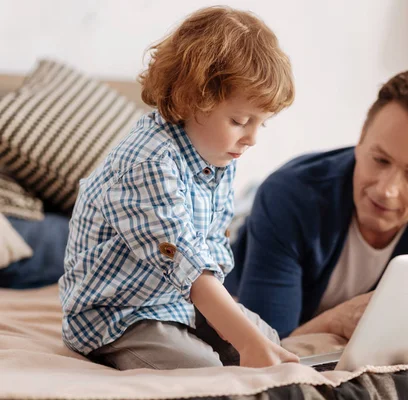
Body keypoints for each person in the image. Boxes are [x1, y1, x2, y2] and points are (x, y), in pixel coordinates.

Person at [228, 70, 408, 367]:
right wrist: (338, 319)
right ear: (360, 141)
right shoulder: (289, 195)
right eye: (380, 159)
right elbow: (266, 346)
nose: (387, 190)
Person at [59, 6, 299, 370]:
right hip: (116, 314)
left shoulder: (220, 156)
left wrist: (245, 334)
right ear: (192, 98)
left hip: (175, 300)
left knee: (267, 340)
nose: (250, 138)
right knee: (205, 370)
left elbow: (213, 246)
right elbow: (185, 261)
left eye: (259, 125)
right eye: (239, 120)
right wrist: (240, 337)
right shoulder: (148, 163)